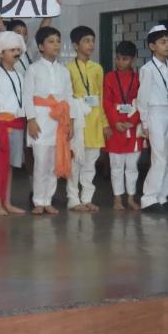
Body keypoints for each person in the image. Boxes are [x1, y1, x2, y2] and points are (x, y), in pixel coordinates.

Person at [23, 26, 74, 215]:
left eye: (58, 41)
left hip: (59, 121)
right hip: (40, 120)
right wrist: (31, 120)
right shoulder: (33, 69)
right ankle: (38, 200)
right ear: (41, 47)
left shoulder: (64, 71)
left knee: (54, 162)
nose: (56, 45)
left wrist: (70, 123)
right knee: (41, 162)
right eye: (51, 41)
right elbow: (27, 96)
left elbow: (68, 98)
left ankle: (48, 200)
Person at [66, 26, 110, 213]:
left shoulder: (97, 68)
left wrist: (104, 123)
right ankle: (73, 199)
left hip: (95, 122)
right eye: (86, 41)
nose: (91, 44)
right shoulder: (68, 69)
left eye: (92, 40)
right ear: (75, 45)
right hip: (77, 123)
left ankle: (87, 198)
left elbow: (101, 97)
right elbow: (67, 99)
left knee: (90, 164)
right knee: (75, 163)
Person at [137, 25, 168, 213]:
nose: (167, 45)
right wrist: (145, 122)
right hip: (155, 113)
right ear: (152, 46)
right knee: (160, 156)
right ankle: (149, 198)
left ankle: (163, 196)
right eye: (163, 42)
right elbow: (143, 97)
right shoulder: (148, 69)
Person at [0, 31, 28, 216]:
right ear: (1, 53)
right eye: (12, 50)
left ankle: (7, 202)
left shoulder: (19, 74)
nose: (16, 53)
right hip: (2, 126)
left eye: (18, 49)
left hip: (17, 124)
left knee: (9, 166)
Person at [103, 40, 143, 211]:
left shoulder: (139, 78)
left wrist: (132, 121)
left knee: (132, 166)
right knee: (116, 166)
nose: (120, 62)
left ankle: (131, 198)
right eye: (118, 58)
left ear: (133, 60)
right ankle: (117, 199)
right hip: (116, 127)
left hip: (133, 128)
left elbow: (142, 102)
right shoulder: (109, 77)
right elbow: (106, 102)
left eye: (125, 59)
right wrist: (115, 122)